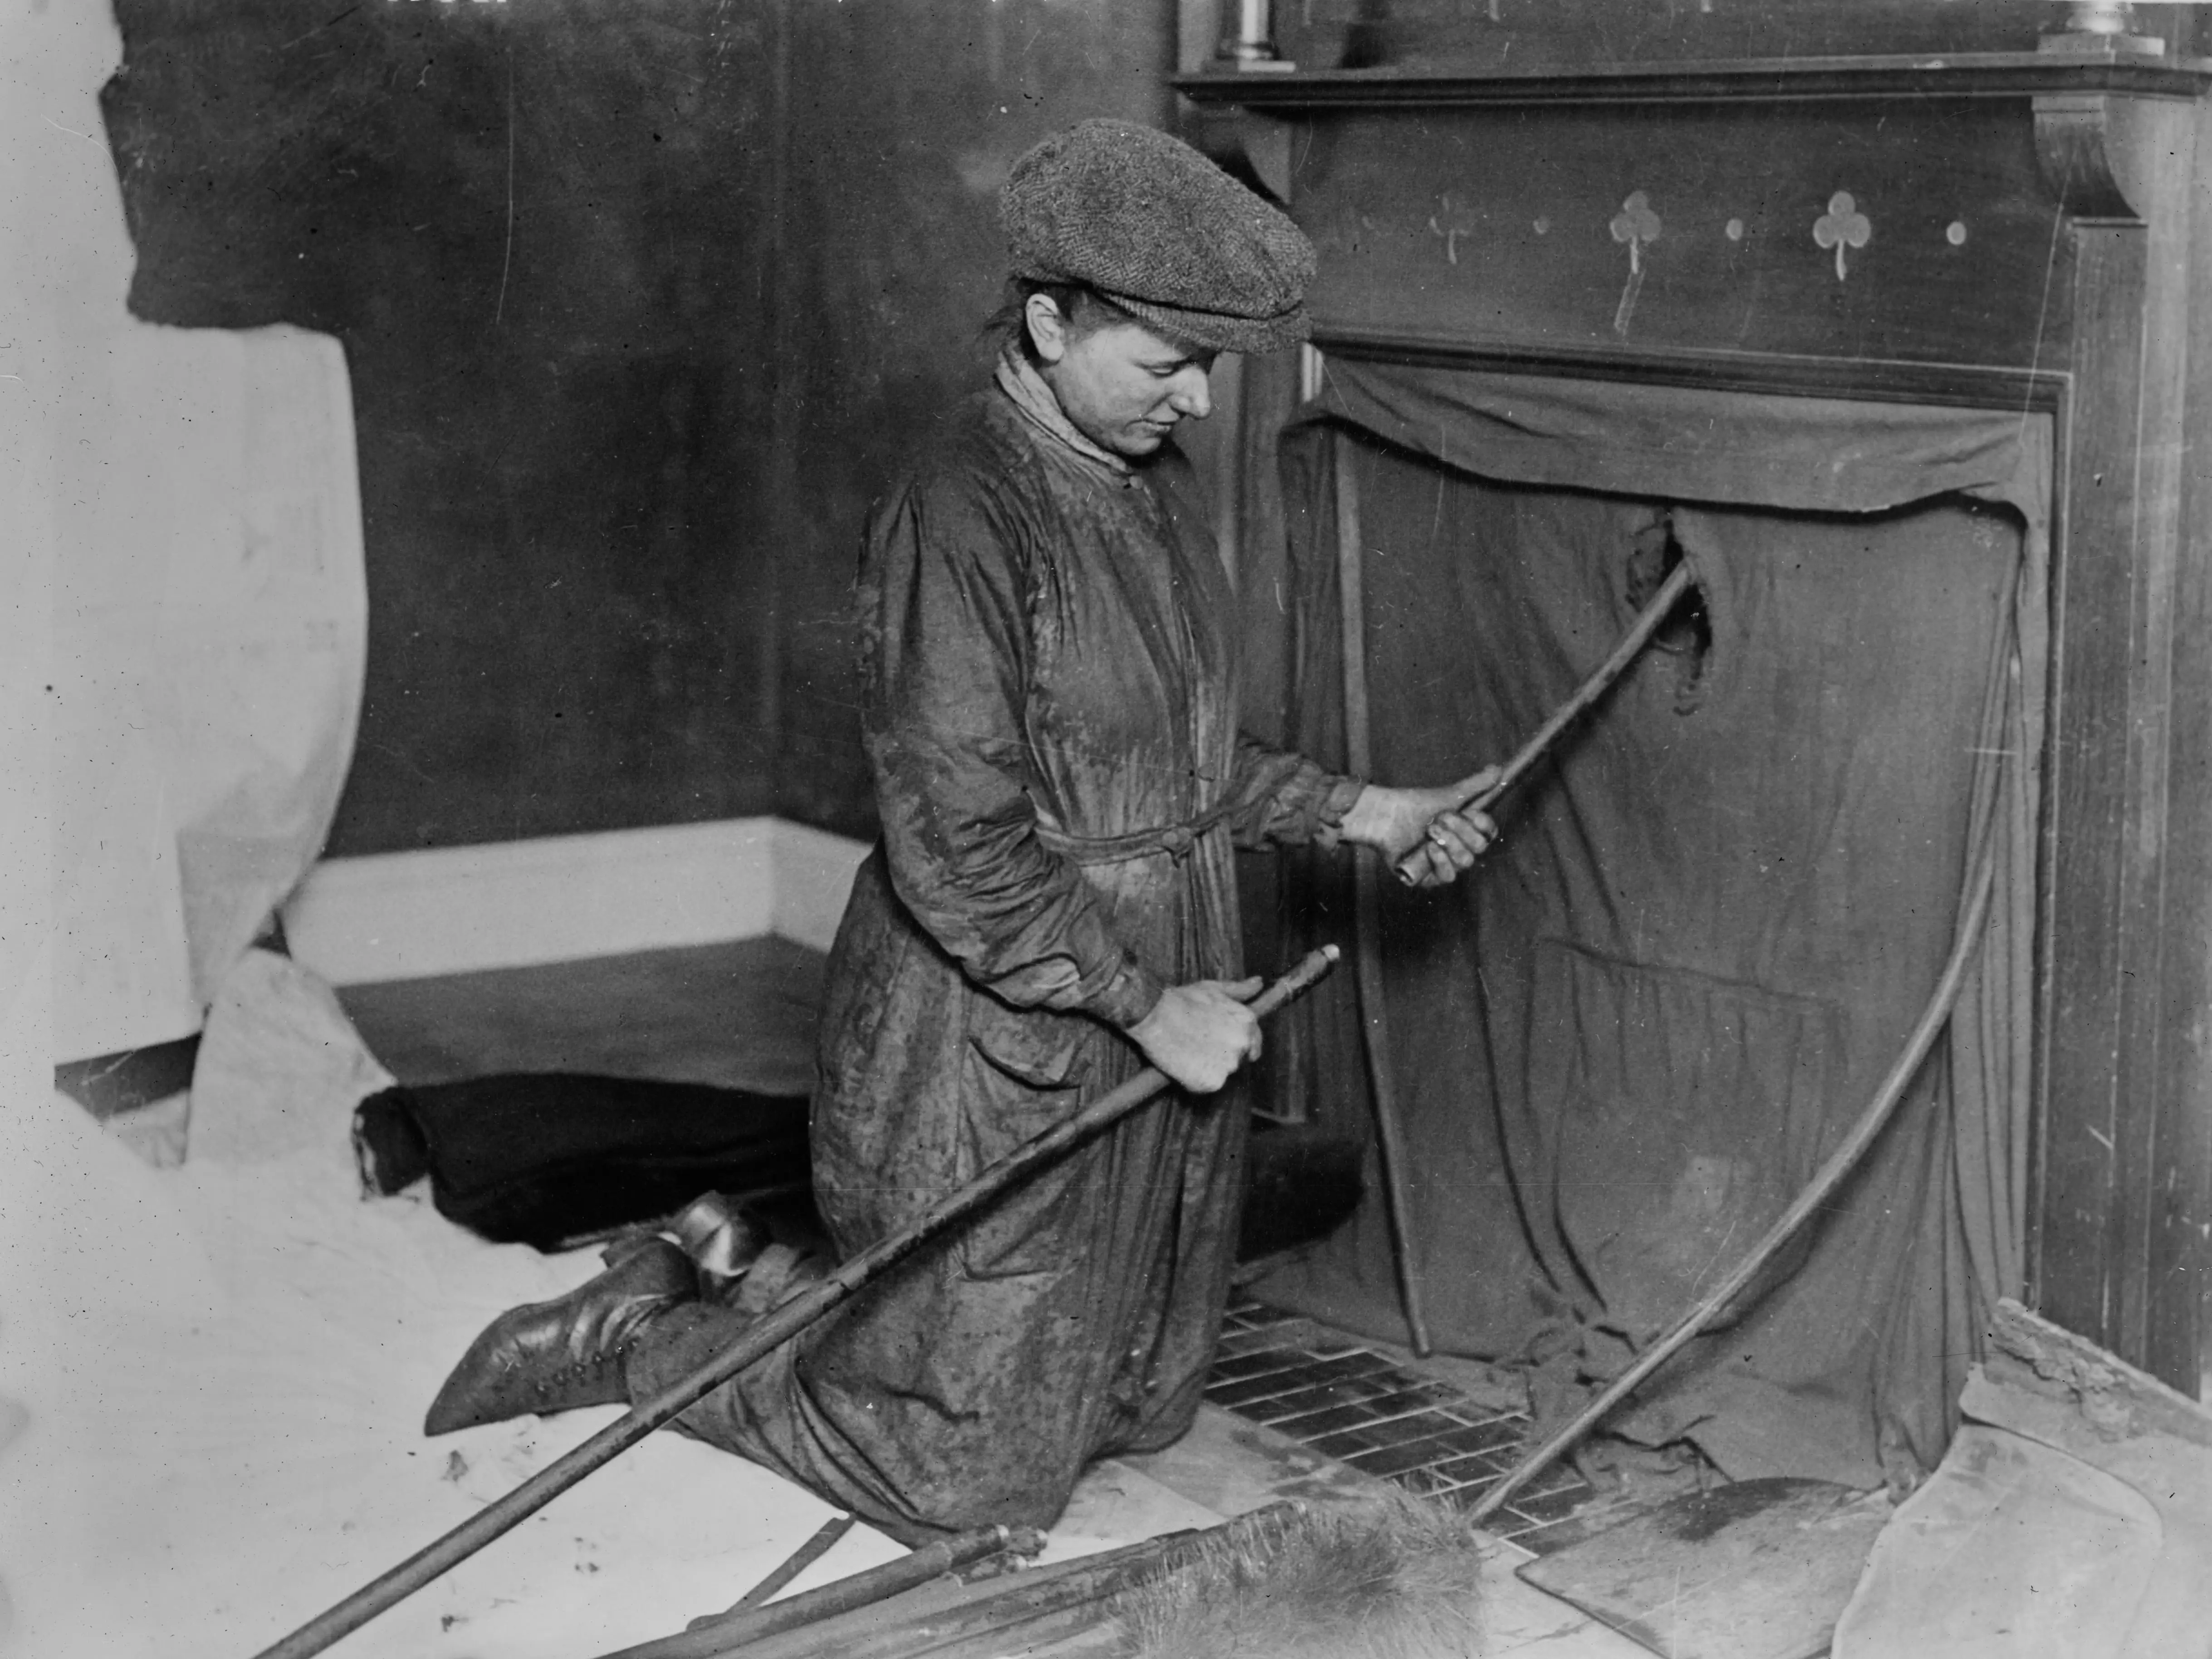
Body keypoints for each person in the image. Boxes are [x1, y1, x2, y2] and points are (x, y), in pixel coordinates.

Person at [425, 118, 1496, 1543]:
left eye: (1210, 368)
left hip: (1159, 980)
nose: (1194, 399)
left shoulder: (1152, 490)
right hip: (997, 1021)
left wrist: (1367, 813)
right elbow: (958, 843)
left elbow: (1170, 761)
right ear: (1049, 325)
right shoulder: (960, 510)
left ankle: (743, 1264)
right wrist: (1145, 1006)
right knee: (955, 1477)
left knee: (1137, 1405)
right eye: (1165, 363)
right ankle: (639, 1336)